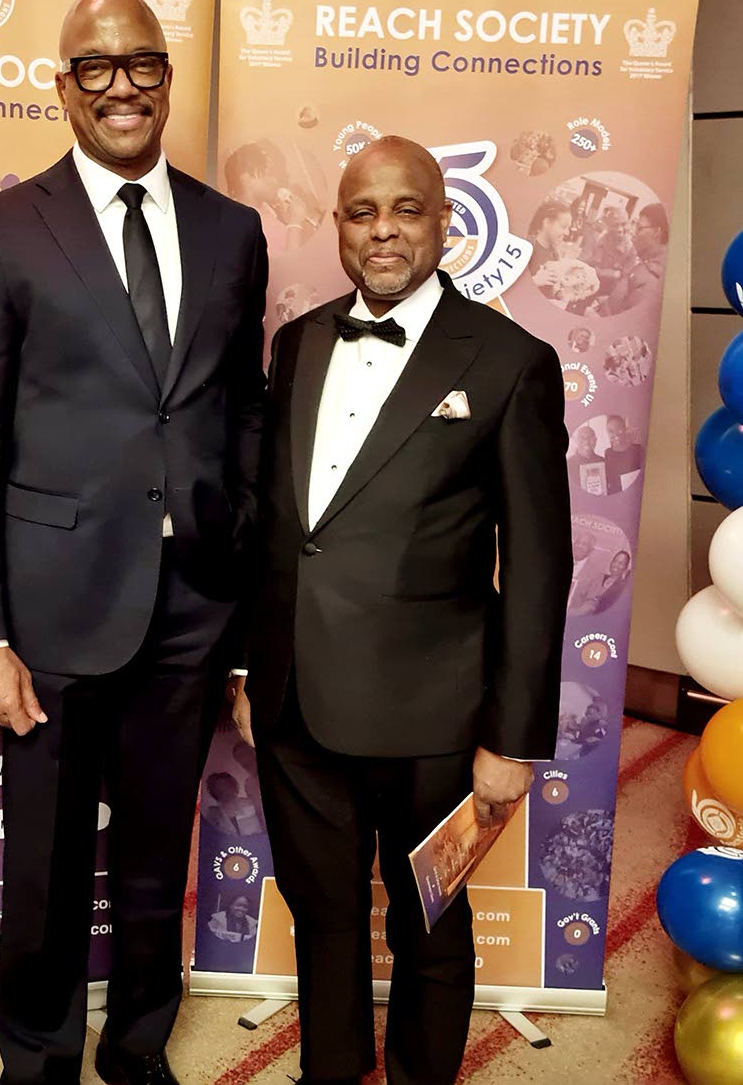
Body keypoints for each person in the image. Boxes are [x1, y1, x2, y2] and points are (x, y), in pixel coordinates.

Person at [0, 0, 267, 1085]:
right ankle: (34, 1057)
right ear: (62, 84)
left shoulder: (231, 230)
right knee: (41, 853)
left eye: (141, 63)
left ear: (167, 77)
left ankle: (135, 1047)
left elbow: (238, 417)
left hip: (191, 599)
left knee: (152, 848)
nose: (120, 85)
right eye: (94, 66)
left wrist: (245, 613)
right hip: (49, 600)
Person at [230, 136, 570, 1085]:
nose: (382, 229)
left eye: (405, 208)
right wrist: (252, 671)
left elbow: (540, 565)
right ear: (338, 224)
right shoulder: (295, 344)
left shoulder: (511, 362)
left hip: (433, 709)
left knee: (429, 918)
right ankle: (329, 1071)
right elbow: (276, 530)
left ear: (444, 220)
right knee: (322, 913)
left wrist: (512, 738)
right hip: (296, 700)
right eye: (361, 210)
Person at [603, 203, 668, 315]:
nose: (632, 232)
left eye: (639, 227)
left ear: (656, 233)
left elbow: (626, 324)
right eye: (633, 224)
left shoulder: (653, 277)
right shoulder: (647, 262)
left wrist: (593, 315)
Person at [568, 528, 607, 615]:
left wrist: (572, 614)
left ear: (591, 550)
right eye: (577, 542)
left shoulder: (597, 573)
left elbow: (591, 603)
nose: (579, 546)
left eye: (584, 544)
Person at [603, 414, 644, 494]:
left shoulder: (637, 449)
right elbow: (608, 481)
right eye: (611, 431)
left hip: (634, 494)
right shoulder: (608, 453)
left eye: (619, 428)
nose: (615, 434)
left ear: (625, 429)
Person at [567, 424, 606, 495]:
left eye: (590, 438)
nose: (586, 442)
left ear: (595, 440)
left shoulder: (603, 462)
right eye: (582, 438)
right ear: (577, 441)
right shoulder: (568, 464)